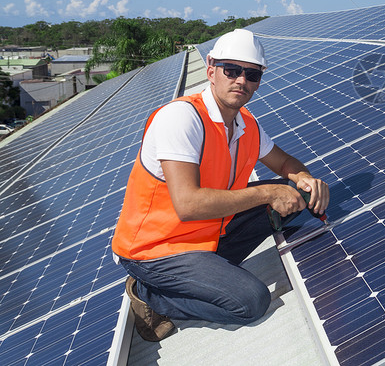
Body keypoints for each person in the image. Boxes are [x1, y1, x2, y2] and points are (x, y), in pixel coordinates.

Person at [112, 28, 329, 342]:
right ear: (211, 70)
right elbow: (187, 205)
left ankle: (209, 270)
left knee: (298, 195)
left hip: (207, 233)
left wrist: (306, 179)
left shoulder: (246, 124)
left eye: (252, 74)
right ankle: (149, 294)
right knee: (250, 302)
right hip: (156, 249)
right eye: (232, 70)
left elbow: (286, 164)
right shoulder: (182, 118)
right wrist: (268, 192)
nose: (241, 80)